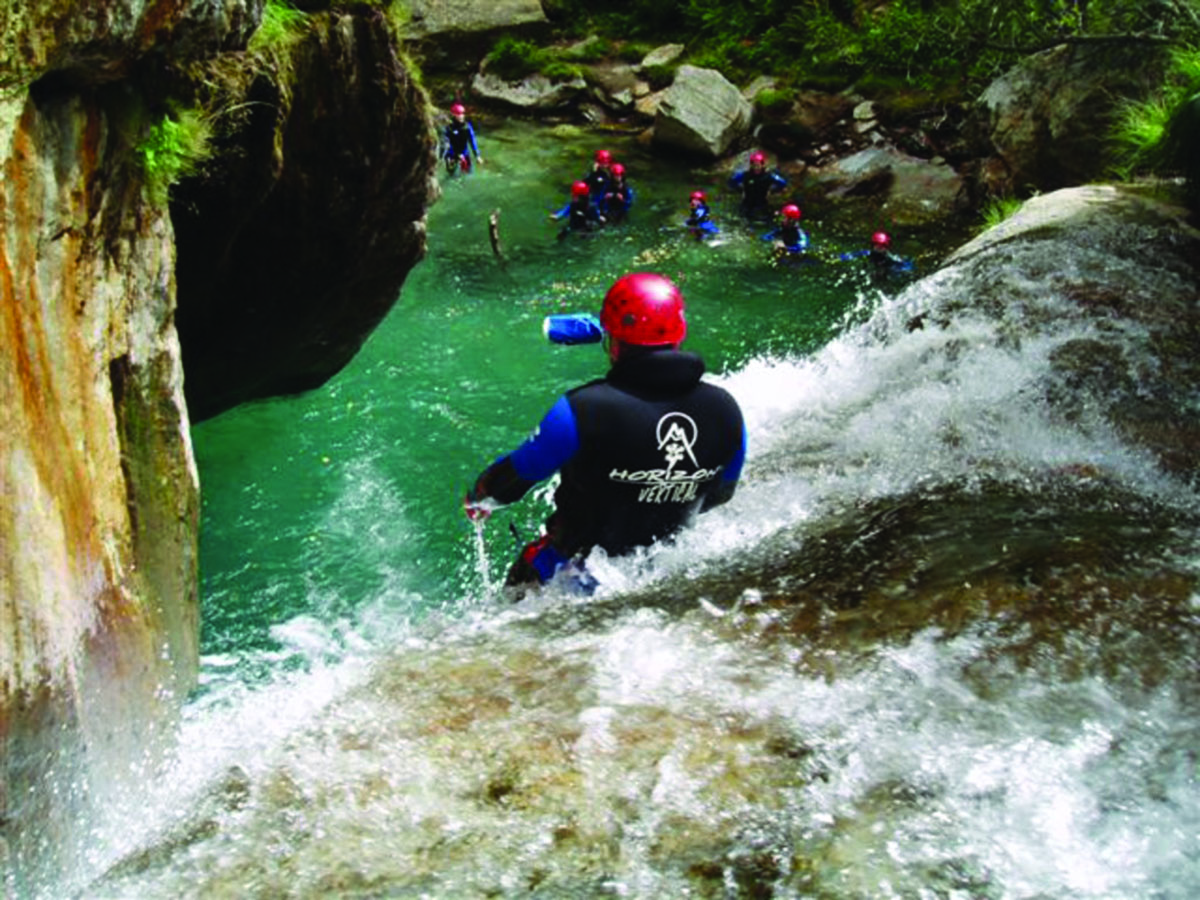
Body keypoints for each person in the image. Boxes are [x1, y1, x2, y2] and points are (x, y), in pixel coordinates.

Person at [464, 272, 747, 592]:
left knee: (526, 572)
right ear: (678, 336)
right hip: (666, 571)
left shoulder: (582, 409)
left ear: (613, 345)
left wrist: (478, 498)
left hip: (578, 575)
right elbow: (721, 494)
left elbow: (510, 482)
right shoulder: (727, 410)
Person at [730, 151, 788, 220]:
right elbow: (732, 181)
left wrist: (773, 191)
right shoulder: (746, 175)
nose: (756, 168)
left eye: (758, 165)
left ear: (762, 165)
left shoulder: (768, 176)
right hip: (747, 201)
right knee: (744, 218)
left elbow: (783, 183)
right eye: (754, 165)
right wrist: (740, 190)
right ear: (751, 165)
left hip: (762, 201)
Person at [838, 231, 914, 281]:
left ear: (886, 247)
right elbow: (851, 255)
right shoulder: (867, 253)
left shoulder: (890, 258)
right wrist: (840, 258)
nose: (879, 247)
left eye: (882, 245)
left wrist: (905, 269)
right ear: (872, 245)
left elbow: (906, 265)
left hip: (887, 270)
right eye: (876, 245)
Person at [442, 103, 483, 174]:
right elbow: (446, 143)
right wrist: (456, 155)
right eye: (458, 114)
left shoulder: (467, 127)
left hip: (464, 154)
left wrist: (477, 156)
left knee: (468, 173)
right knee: (451, 175)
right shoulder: (449, 128)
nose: (461, 116)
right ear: (454, 115)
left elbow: (472, 141)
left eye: (462, 114)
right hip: (452, 155)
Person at [583, 149, 615, 213]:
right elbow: (585, 184)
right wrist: (594, 173)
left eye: (606, 163)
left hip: (607, 196)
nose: (605, 165)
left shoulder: (610, 172)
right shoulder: (593, 173)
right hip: (596, 197)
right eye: (603, 163)